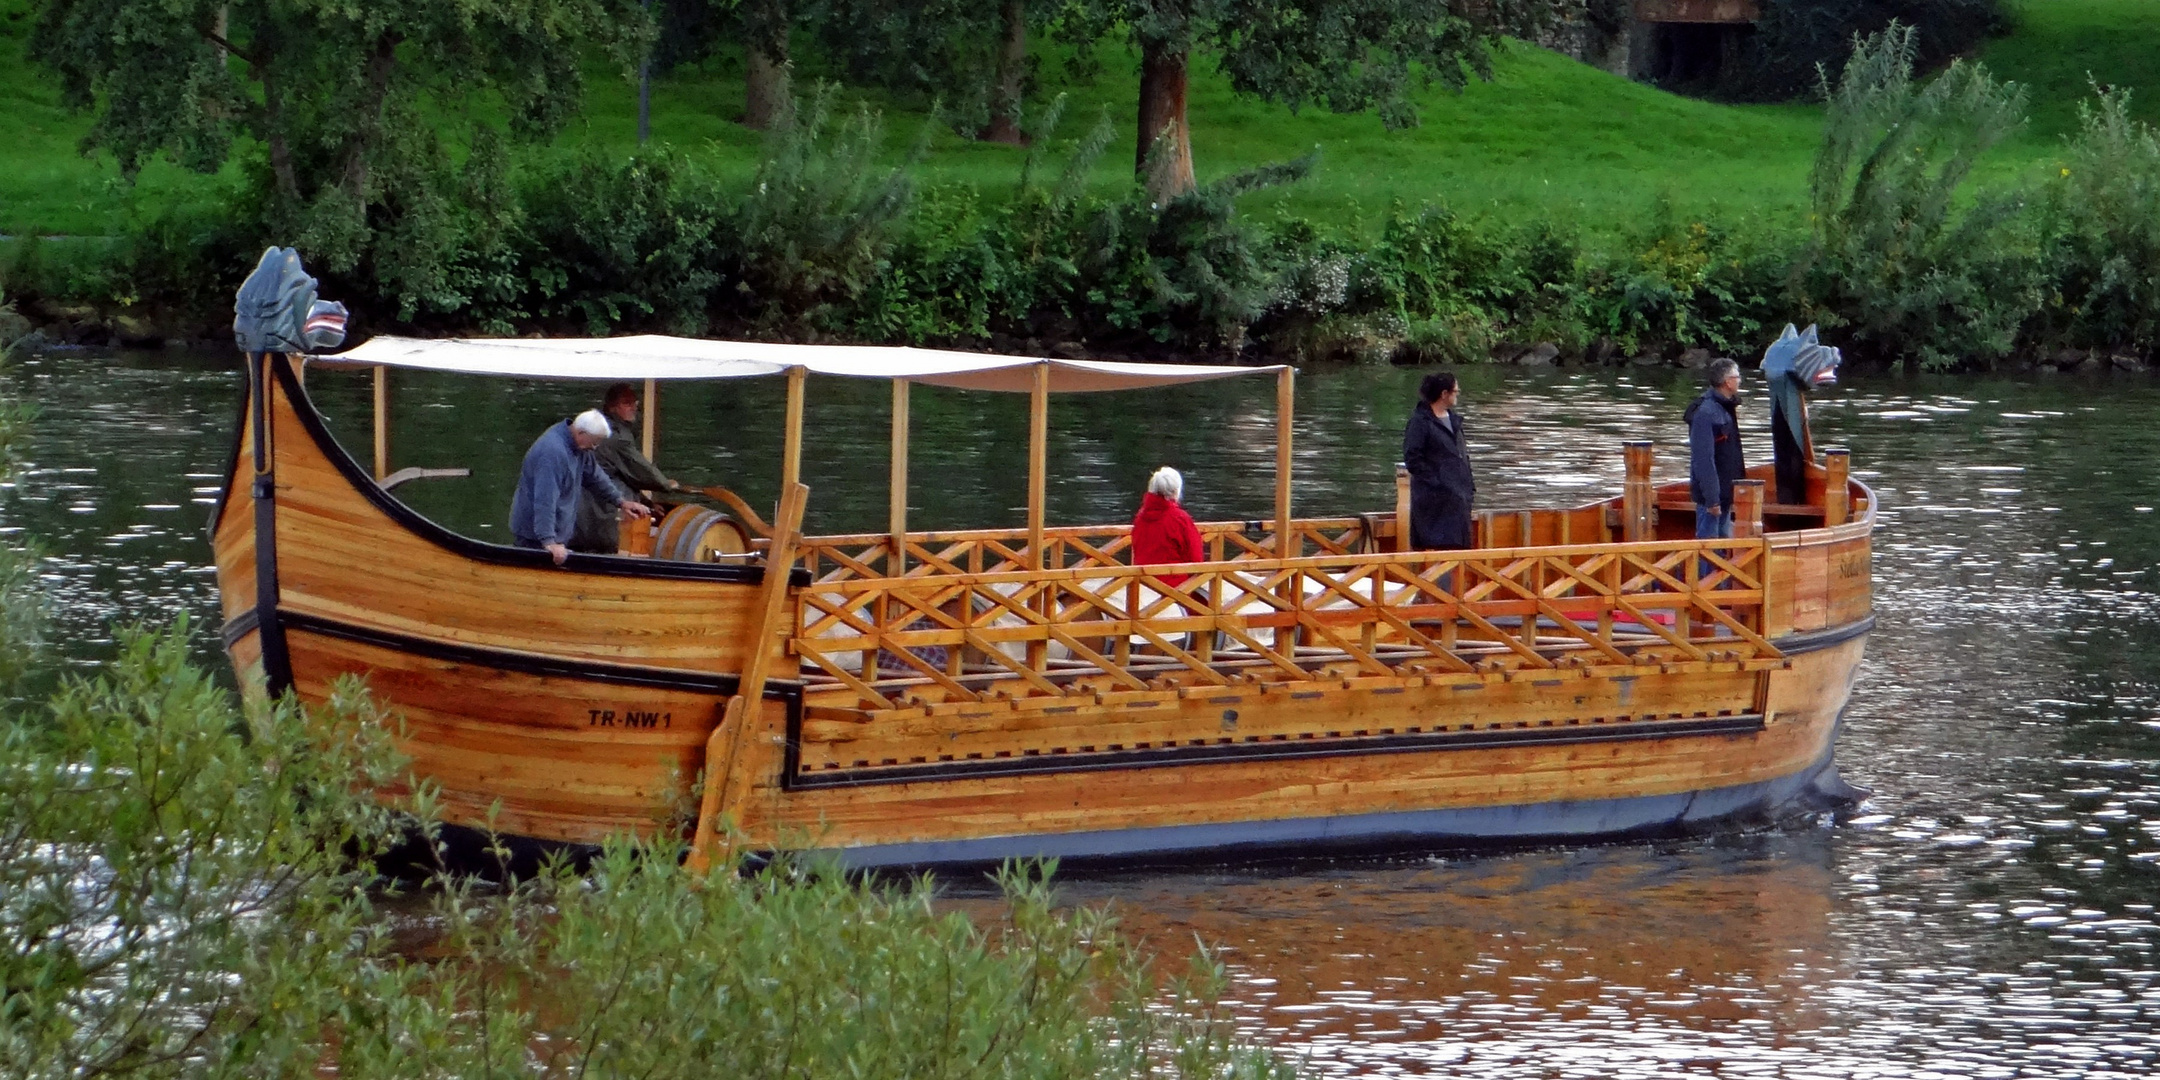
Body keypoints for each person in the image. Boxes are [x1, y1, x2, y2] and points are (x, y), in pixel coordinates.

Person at [510, 410, 651, 566]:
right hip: (534, 537)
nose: (595, 447)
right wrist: (548, 541)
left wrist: (621, 502)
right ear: (581, 432)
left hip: (555, 535)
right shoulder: (552, 452)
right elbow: (545, 500)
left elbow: (595, 476)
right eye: (594, 442)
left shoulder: (581, 447)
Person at [571, 383, 682, 554]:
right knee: (604, 545)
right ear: (612, 407)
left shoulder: (611, 430)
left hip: (585, 508)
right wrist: (666, 484)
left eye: (635, 403)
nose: (633, 407)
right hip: (599, 510)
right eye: (627, 403)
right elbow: (641, 471)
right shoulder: (617, 436)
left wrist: (648, 503)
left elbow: (623, 475)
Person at [1402, 372, 1475, 550]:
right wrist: (1439, 483)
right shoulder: (1420, 422)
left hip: (1459, 498)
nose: (1458, 393)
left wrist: (1469, 486)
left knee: (1458, 549)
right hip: (1434, 501)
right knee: (1439, 549)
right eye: (1455, 391)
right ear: (1444, 394)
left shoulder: (1455, 421)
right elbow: (1413, 459)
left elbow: (1462, 456)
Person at [1685, 358, 1747, 539]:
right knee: (1709, 550)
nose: (1740, 380)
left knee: (1722, 545)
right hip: (1712, 499)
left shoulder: (1726, 407)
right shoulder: (1706, 412)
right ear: (1728, 382)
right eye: (1737, 376)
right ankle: (1706, 569)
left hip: (1725, 493)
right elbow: (1703, 459)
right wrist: (1712, 499)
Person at [1131, 466, 1204, 586]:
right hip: (1176, 589)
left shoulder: (1140, 517)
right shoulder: (1179, 519)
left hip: (1143, 586)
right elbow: (1196, 559)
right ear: (1176, 491)